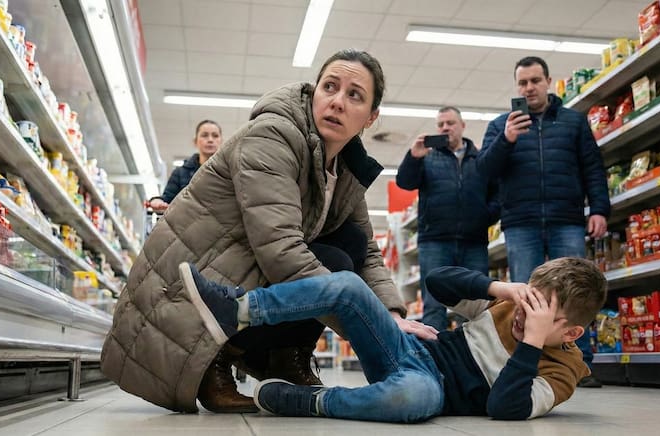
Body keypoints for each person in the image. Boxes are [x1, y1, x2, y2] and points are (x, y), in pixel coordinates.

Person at [100, 49, 438, 414]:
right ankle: (218, 359)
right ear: (314, 93)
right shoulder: (273, 136)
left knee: (350, 245)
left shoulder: (342, 167)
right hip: (189, 288)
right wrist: (370, 325)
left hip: (242, 275)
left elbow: (368, 250)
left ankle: (284, 358)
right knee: (334, 263)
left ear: (371, 117)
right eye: (330, 87)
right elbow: (281, 252)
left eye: (354, 95)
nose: (338, 102)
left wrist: (391, 314)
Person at [181, 256, 607, 422]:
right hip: (407, 349)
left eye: (541, 315)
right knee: (348, 284)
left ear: (571, 332)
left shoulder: (562, 373)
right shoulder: (508, 305)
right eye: (528, 301)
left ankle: (307, 401)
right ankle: (238, 310)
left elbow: (504, 408)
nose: (524, 316)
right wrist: (498, 288)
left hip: (428, 387)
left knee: (413, 400)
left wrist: (531, 343)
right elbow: (437, 282)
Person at [480, 56, 610, 388]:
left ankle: (580, 364)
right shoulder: (500, 125)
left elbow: (592, 167)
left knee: (578, 292)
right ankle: (527, 364)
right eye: (522, 83)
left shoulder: (573, 122)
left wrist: (599, 209)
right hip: (520, 222)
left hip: (566, 218)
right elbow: (484, 172)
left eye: (535, 81)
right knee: (526, 295)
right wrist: (506, 139)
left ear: (548, 82)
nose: (529, 88)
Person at [396, 106, 499, 331]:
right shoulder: (427, 157)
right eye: (440, 124)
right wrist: (413, 157)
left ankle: (471, 350)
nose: (445, 128)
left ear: (462, 126)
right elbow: (404, 182)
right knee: (434, 304)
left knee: (475, 303)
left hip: (474, 242)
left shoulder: (480, 158)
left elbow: (497, 193)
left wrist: (485, 217)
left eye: (450, 123)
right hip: (435, 241)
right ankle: (434, 351)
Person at [148, 120, 222, 212]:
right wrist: (157, 201)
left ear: (221, 141)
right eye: (204, 135)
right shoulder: (180, 173)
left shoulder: (229, 172)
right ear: (195, 141)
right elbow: (167, 199)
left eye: (215, 136)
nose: (210, 140)